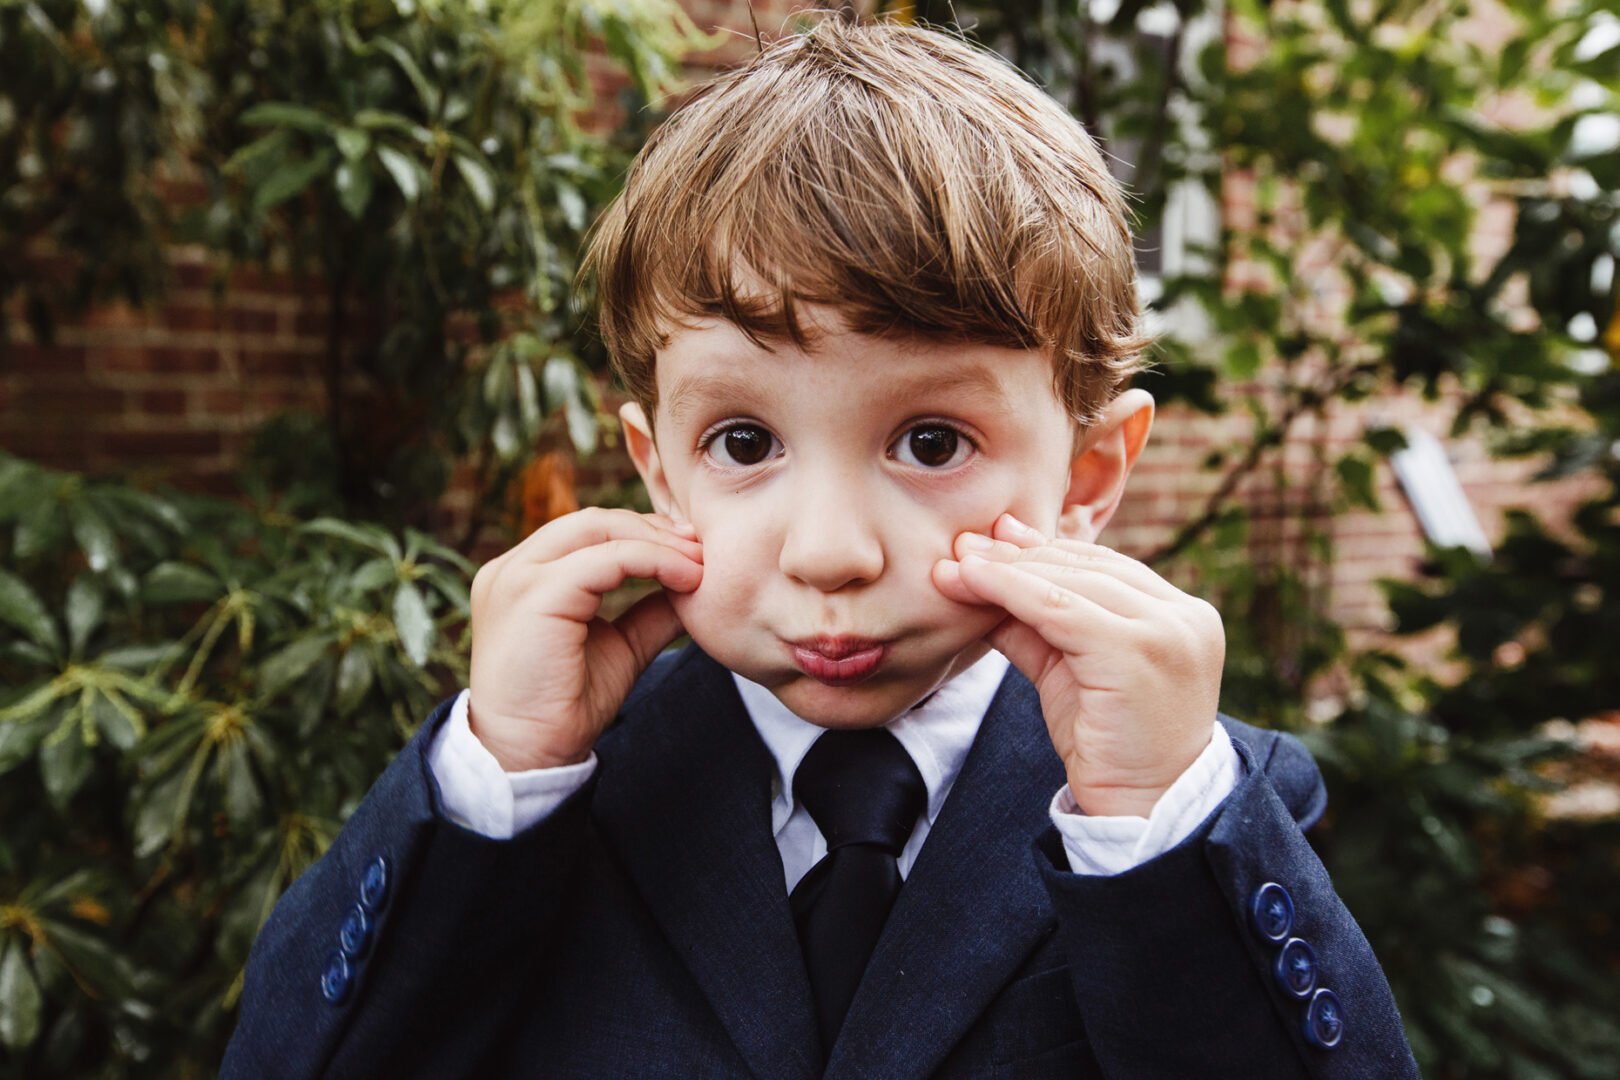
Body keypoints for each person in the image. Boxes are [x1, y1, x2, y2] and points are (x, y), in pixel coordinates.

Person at [222, 18, 1420, 1079]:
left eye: (933, 440)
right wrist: (498, 778)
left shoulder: (1188, 806)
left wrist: (1152, 819)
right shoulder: (546, 794)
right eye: (745, 439)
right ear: (658, 468)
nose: (832, 553)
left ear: (1088, 475)